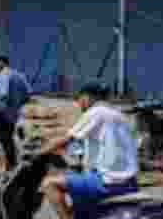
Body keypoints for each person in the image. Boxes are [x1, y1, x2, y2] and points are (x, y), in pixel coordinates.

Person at [40, 83, 139, 219]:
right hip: (128, 180)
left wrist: (37, 153)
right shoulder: (118, 114)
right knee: (74, 179)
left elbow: (66, 139)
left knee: (49, 184)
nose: (78, 104)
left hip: (109, 181)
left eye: (78, 99)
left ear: (86, 97)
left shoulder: (96, 112)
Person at [0, 55, 33, 168]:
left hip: (2, 113)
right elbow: (28, 94)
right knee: (10, 138)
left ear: (1, 63)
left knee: (5, 139)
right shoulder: (20, 75)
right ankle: (13, 163)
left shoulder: (2, 76)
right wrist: (18, 104)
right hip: (15, 113)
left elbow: (3, 95)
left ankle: (11, 165)